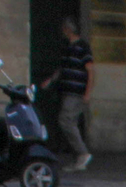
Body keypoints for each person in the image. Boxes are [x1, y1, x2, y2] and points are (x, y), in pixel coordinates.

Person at [43, 11, 92, 169]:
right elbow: (62, 68)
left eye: (64, 28)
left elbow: (91, 71)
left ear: (68, 29)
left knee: (66, 121)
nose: (62, 31)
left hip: (76, 92)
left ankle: (82, 153)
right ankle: (79, 157)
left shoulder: (83, 47)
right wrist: (51, 80)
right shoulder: (67, 48)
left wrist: (87, 93)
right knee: (70, 122)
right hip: (66, 91)